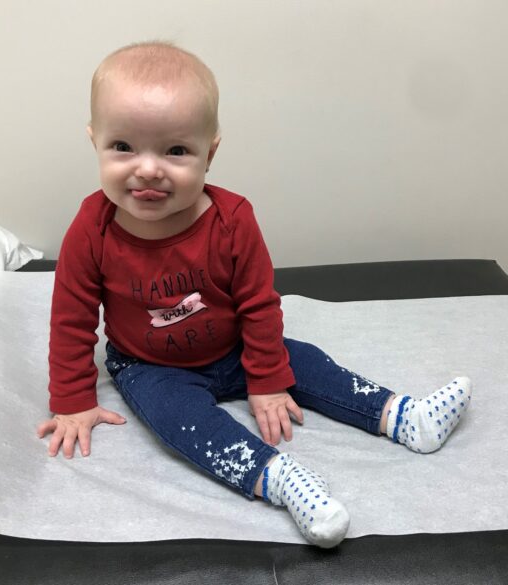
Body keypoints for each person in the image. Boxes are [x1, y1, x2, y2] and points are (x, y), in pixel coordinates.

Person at [36, 41, 472, 548]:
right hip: (148, 365)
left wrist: (266, 379)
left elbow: (260, 305)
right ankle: (282, 481)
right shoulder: (93, 228)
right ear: (95, 143)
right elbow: (71, 318)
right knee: (178, 422)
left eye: (176, 150)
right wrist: (72, 401)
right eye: (124, 147)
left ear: (210, 153)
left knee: (306, 363)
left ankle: (404, 417)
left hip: (236, 348)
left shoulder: (232, 219)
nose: (149, 168)